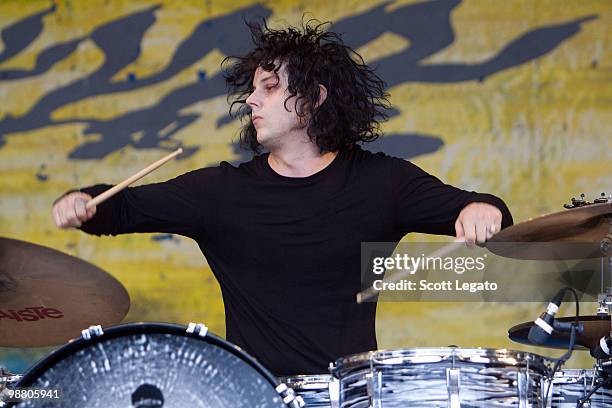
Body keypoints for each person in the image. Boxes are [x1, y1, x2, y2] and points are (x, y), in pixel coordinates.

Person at [52, 21, 512, 376]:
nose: (252, 101)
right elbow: (121, 207)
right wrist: (81, 202)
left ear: (313, 98)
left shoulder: (381, 182)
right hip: (253, 394)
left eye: (268, 88)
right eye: (251, 90)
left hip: (350, 395)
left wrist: (480, 210)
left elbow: (484, 209)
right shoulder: (220, 192)